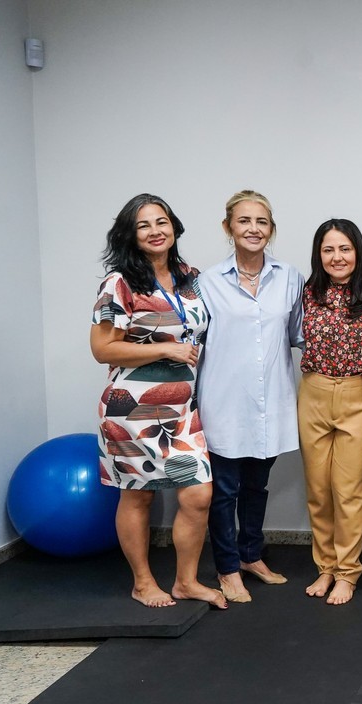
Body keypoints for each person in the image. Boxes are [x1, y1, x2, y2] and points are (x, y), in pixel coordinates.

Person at [90, 193, 226, 609]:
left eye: (161, 221)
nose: (155, 231)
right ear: (131, 235)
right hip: (132, 408)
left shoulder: (190, 277)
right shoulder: (120, 282)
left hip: (183, 407)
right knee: (138, 494)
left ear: (174, 228)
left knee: (198, 494)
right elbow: (102, 348)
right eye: (144, 225)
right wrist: (164, 350)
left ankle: (186, 581)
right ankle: (143, 582)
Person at [197, 190, 304, 604]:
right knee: (224, 490)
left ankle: (250, 556)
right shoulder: (207, 283)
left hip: (271, 402)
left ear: (271, 229)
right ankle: (226, 569)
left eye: (261, 222)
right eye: (244, 221)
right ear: (228, 228)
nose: (253, 229)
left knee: (257, 486)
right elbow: (195, 342)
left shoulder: (290, 277)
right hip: (224, 401)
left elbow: (297, 335)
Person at [297, 219, 362, 606]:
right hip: (313, 393)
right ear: (319, 254)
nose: (337, 257)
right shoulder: (307, 293)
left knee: (348, 491)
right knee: (318, 490)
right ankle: (325, 568)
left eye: (345, 249)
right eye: (329, 249)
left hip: (359, 395)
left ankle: (348, 573)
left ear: (358, 252)